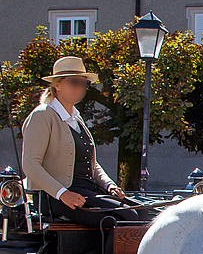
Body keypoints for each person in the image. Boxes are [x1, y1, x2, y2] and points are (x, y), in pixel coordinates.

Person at [20, 55, 137, 225]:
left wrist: (108, 185)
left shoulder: (76, 118)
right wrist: (62, 193)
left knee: (143, 213)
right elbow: (30, 165)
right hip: (54, 197)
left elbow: (91, 163)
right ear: (57, 85)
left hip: (85, 191)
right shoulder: (43, 115)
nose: (80, 88)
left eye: (84, 83)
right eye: (74, 82)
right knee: (124, 218)